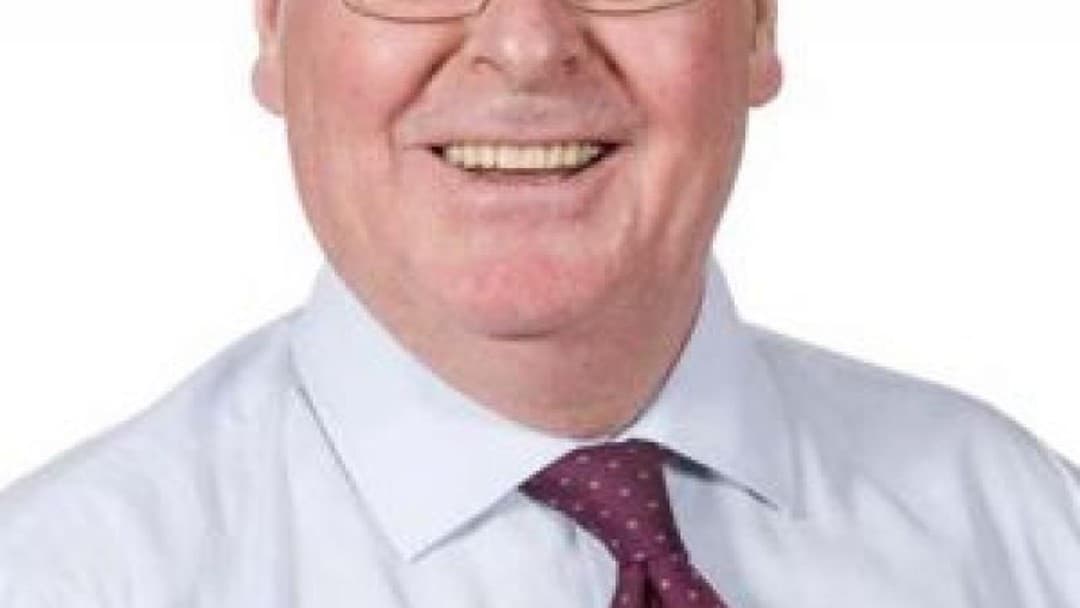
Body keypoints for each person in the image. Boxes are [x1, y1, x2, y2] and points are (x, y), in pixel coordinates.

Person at [1, 0, 1078, 603]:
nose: (525, 44)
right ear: (276, 29)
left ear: (757, 24)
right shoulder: (66, 578)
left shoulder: (1025, 530)